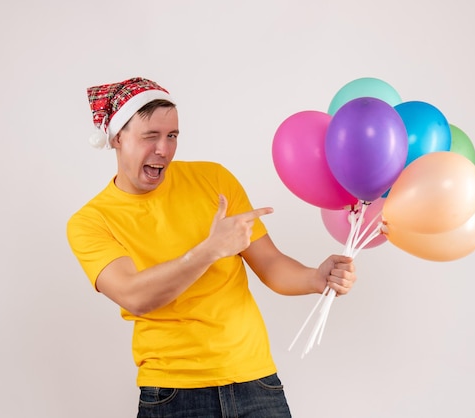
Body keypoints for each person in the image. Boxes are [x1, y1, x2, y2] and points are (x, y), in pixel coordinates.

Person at [67, 77, 357, 418]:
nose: (164, 149)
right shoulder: (91, 221)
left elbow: (270, 264)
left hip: (256, 382)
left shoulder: (213, 180)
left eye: (172, 135)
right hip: (173, 394)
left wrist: (316, 279)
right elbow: (135, 296)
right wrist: (209, 250)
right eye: (151, 136)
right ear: (117, 137)